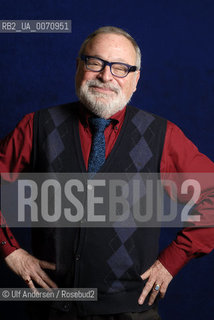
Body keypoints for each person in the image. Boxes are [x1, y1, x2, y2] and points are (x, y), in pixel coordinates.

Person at [1, 26, 214, 320]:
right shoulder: (36, 127)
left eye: (120, 68)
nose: (106, 76)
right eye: (95, 63)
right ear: (78, 66)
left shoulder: (163, 137)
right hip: (50, 310)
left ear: (136, 79)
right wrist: (10, 250)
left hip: (129, 312)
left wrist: (173, 260)